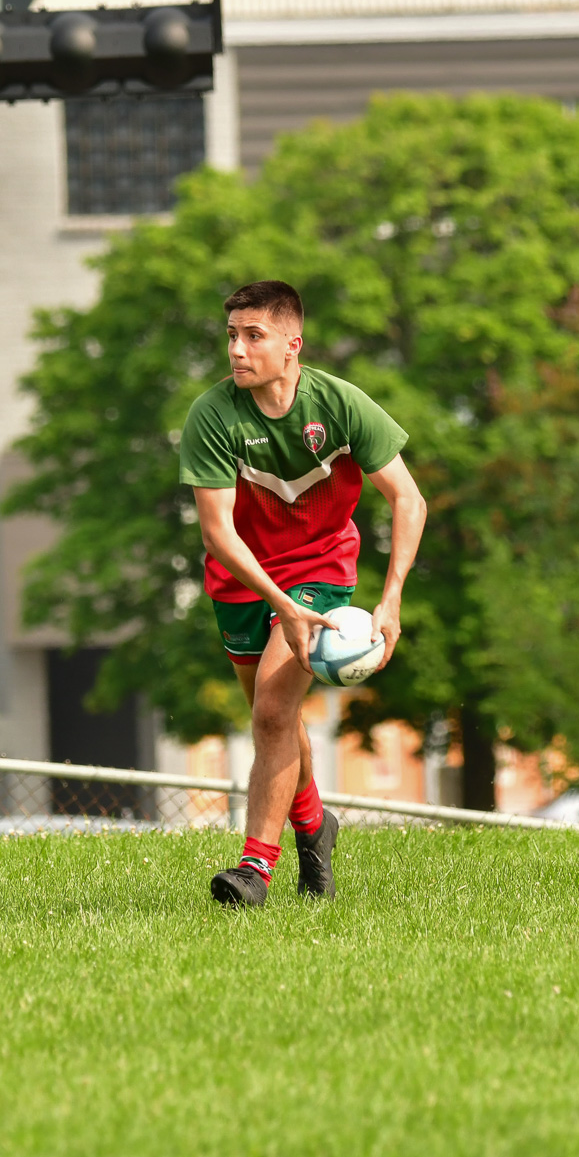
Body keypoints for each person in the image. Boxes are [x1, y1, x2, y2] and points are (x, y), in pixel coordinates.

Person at [179, 280, 427, 906]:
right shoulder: (212, 416)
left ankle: (253, 869)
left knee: (270, 708)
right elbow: (217, 534)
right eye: (231, 335)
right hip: (241, 580)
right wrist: (279, 605)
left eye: (253, 336)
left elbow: (408, 499)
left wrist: (390, 598)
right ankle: (315, 827)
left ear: (293, 345)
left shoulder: (339, 405)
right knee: (275, 719)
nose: (236, 349)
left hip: (320, 570)